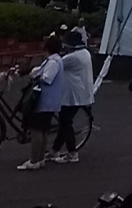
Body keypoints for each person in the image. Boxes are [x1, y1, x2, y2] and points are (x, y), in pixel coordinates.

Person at [17, 34, 64, 171]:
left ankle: (34, 160)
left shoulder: (53, 62)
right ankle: (40, 158)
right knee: (43, 131)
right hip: (50, 102)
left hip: (43, 101)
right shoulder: (55, 60)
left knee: (36, 131)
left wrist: (35, 75)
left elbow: (47, 78)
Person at [51, 30, 94, 164]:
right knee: (64, 122)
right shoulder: (85, 53)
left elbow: (54, 65)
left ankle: (72, 153)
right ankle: (55, 150)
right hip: (80, 92)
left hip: (73, 95)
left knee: (65, 123)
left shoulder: (73, 58)